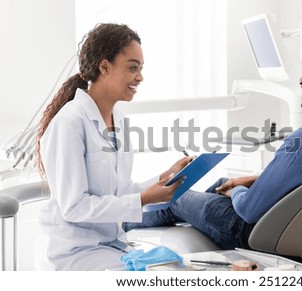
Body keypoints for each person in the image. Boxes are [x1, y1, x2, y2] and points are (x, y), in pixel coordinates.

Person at [122, 38, 302, 251]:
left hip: (258, 233)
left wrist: (237, 192)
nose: (301, 79)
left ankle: (120, 224)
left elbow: (249, 210)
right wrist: (253, 180)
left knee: (179, 197)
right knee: (223, 183)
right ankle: (183, 216)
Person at [35, 23, 191, 271]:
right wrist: (141, 199)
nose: (139, 77)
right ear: (104, 67)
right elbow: (74, 207)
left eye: (140, 69)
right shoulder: (70, 122)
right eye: (132, 68)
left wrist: (164, 178)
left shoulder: (120, 121)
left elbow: (120, 190)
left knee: (176, 270)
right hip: (74, 252)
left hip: (110, 245)